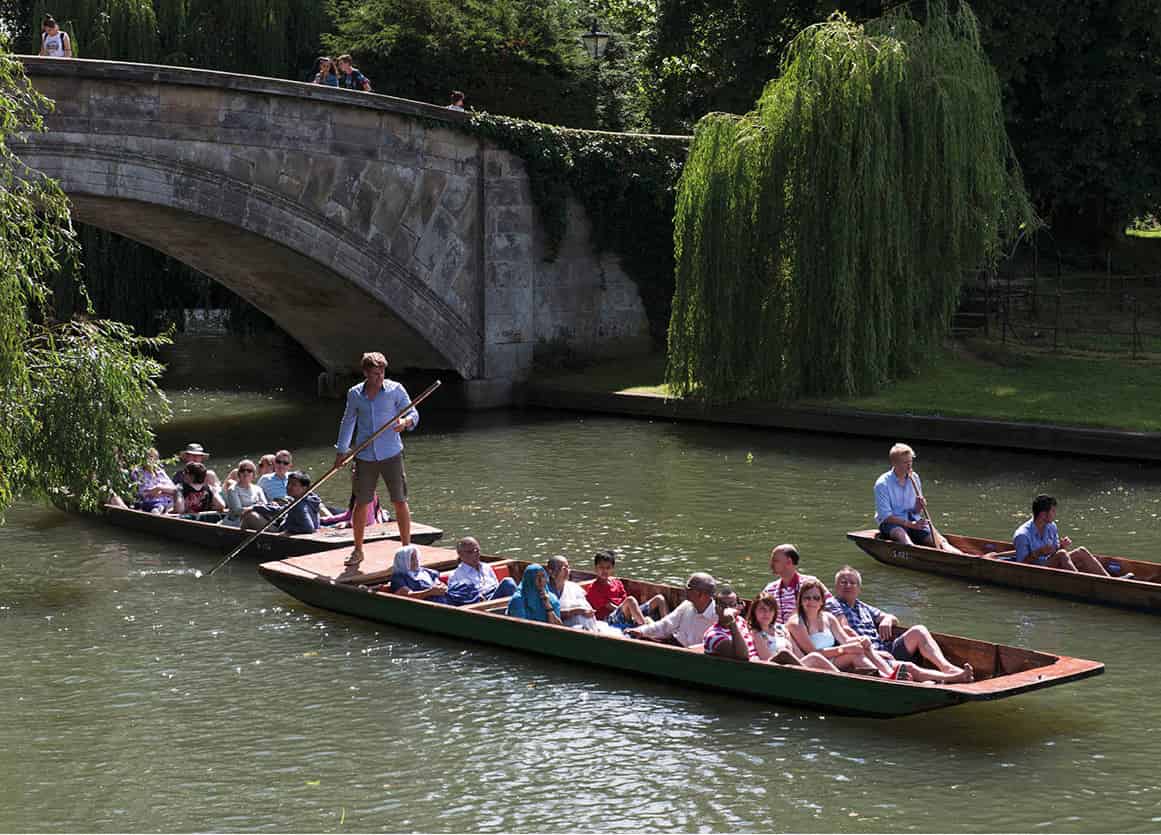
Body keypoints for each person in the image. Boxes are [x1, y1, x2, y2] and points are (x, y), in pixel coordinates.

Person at [335, 351, 418, 569]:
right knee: (362, 503)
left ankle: (406, 549)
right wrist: (342, 451)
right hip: (365, 455)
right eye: (374, 374)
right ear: (365, 373)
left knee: (400, 500)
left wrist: (406, 422)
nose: (379, 377)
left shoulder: (395, 390)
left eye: (381, 373)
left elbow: (413, 413)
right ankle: (358, 550)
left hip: (391, 453)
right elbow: (348, 422)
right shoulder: (355, 394)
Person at [827, 566, 974, 682]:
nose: (848, 585)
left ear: (859, 589)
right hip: (865, 653)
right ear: (836, 586)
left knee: (919, 630)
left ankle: (947, 668)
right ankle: (954, 678)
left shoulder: (863, 606)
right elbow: (844, 630)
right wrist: (874, 652)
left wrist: (887, 619)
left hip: (885, 649)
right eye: (843, 582)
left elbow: (890, 617)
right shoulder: (833, 604)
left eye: (852, 582)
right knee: (908, 667)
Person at [786, 579, 903, 677]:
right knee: (855, 655)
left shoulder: (829, 617)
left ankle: (889, 674)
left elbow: (845, 640)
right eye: (807, 598)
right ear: (800, 601)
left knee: (862, 646)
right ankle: (884, 678)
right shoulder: (796, 623)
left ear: (822, 601)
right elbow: (812, 652)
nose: (812, 601)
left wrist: (861, 640)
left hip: (833, 658)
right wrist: (844, 649)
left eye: (816, 598)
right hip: (816, 662)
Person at [874, 443, 963, 553]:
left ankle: (962, 555)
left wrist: (919, 505)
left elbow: (916, 511)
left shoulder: (914, 477)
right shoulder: (882, 484)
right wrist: (911, 525)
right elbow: (886, 516)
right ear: (894, 463)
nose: (909, 466)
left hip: (913, 520)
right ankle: (913, 552)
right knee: (902, 535)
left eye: (910, 461)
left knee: (940, 541)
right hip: (892, 524)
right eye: (905, 462)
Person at [1006, 494, 1114, 577]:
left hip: (1051, 564)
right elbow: (1020, 566)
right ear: (1043, 514)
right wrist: (1038, 553)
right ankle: (1081, 582)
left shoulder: (1051, 526)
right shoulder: (1022, 535)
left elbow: (1055, 552)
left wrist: (1061, 546)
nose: (1055, 514)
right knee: (1062, 554)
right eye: (1053, 511)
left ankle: (1110, 580)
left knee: (1081, 551)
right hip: (1036, 571)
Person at [584, 549, 669, 629]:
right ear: (595, 568)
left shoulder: (617, 583)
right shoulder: (594, 588)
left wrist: (633, 611)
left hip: (625, 612)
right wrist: (631, 611)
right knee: (630, 600)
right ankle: (645, 630)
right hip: (610, 619)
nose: (604, 571)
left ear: (612, 569)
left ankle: (667, 628)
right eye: (601, 568)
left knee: (659, 599)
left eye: (608, 568)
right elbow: (612, 607)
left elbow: (624, 600)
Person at [625, 572, 717, 647]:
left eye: (688, 587)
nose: (684, 589)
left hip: (696, 655)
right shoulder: (686, 605)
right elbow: (665, 625)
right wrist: (641, 631)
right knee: (635, 638)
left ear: (699, 594)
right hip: (675, 644)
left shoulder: (717, 616)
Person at [762, 543, 828, 625]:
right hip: (779, 635)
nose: (771, 564)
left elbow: (832, 605)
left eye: (775, 561)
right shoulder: (769, 589)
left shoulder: (811, 583)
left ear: (789, 562)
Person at [241, 471, 321, 534]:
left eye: (293, 484)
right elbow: (281, 510)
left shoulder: (299, 505)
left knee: (249, 516)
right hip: (283, 525)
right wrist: (256, 507)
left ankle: (238, 540)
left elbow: (309, 529)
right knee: (260, 512)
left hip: (280, 533)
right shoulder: (309, 499)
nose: (288, 487)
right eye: (288, 483)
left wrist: (288, 529)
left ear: (304, 488)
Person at [445, 537, 518, 605]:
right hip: (481, 602)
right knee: (508, 582)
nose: (475, 554)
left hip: (495, 594)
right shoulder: (455, 575)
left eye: (477, 550)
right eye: (470, 552)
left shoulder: (486, 566)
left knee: (511, 583)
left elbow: (496, 585)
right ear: (460, 554)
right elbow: (455, 598)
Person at [221, 459, 267, 527]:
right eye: (242, 470)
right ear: (239, 473)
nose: (245, 473)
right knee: (252, 516)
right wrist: (255, 507)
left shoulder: (258, 489)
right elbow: (237, 511)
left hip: (256, 519)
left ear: (253, 474)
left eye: (249, 470)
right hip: (236, 522)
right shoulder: (232, 490)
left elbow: (265, 506)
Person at [130, 448, 177, 513]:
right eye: (148, 456)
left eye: (153, 457)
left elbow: (174, 489)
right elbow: (141, 493)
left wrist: (160, 488)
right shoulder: (138, 472)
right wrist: (152, 492)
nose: (150, 459)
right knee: (156, 505)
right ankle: (159, 509)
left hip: (168, 501)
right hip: (150, 502)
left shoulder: (160, 471)